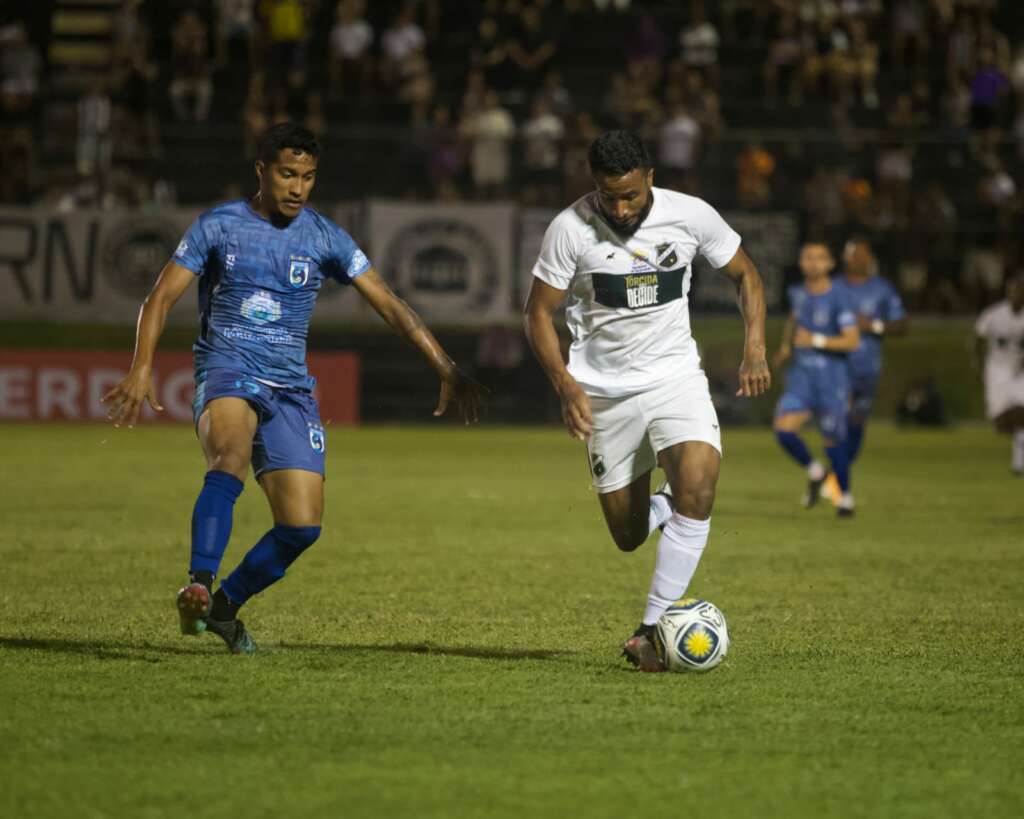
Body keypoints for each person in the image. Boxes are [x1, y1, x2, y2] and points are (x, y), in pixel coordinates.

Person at [101, 123, 485, 654]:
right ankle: (198, 583)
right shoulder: (219, 226)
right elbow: (160, 297)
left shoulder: (325, 237)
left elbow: (392, 305)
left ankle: (222, 608)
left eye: (307, 176)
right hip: (228, 369)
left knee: (302, 527)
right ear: (262, 170)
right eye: (287, 174)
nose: (298, 187)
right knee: (229, 457)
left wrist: (445, 365)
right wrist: (142, 366)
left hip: (289, 388)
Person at [523, 130, 770, 673]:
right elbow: (537, 313)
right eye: (609, 195)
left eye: (631, 195)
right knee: (629, 535)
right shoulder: (570, 229)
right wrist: (566, 385)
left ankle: (650, 631)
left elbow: (746, 275)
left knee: (700, 486)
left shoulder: (691, 215)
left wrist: (754, 347)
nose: (621, 206)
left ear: (650, 177)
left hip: (674, 378)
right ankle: (664, 503)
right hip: (603, 394)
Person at [772, 239, 860, 518]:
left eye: (819, 258)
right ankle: (815, 470)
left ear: (830, 264)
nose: (812, 263)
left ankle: (844, 498)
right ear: (800, 262)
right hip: (802, 375)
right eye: (807, 257)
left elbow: (852, 341)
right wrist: (786, 347)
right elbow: (793, 320)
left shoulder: (840, 296)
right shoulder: (797, 293)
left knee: (833, 440)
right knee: (784, 429)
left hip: (833, 378)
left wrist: (815, 339)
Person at [828, 236, 907, 485]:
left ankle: (834, 476)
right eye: (853, 254)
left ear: (870, 259)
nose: (858, 259)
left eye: (862, 255)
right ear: (845, 258)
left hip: (867, 367)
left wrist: (872, 325)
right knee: (839, 419)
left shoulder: (882, 289)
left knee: (856, 422)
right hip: (838, 365)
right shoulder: (833, 288)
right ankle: (840, 485)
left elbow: (902, 324)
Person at [974, 273, 1024, 476]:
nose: (1016, 295)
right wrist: (978, 366)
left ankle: (1018, 463)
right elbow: (976, 339)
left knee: (1021, 413)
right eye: (1013, 290)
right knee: (1000, 423)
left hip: (1020, 372)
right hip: (997, 371)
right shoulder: (994, 315)